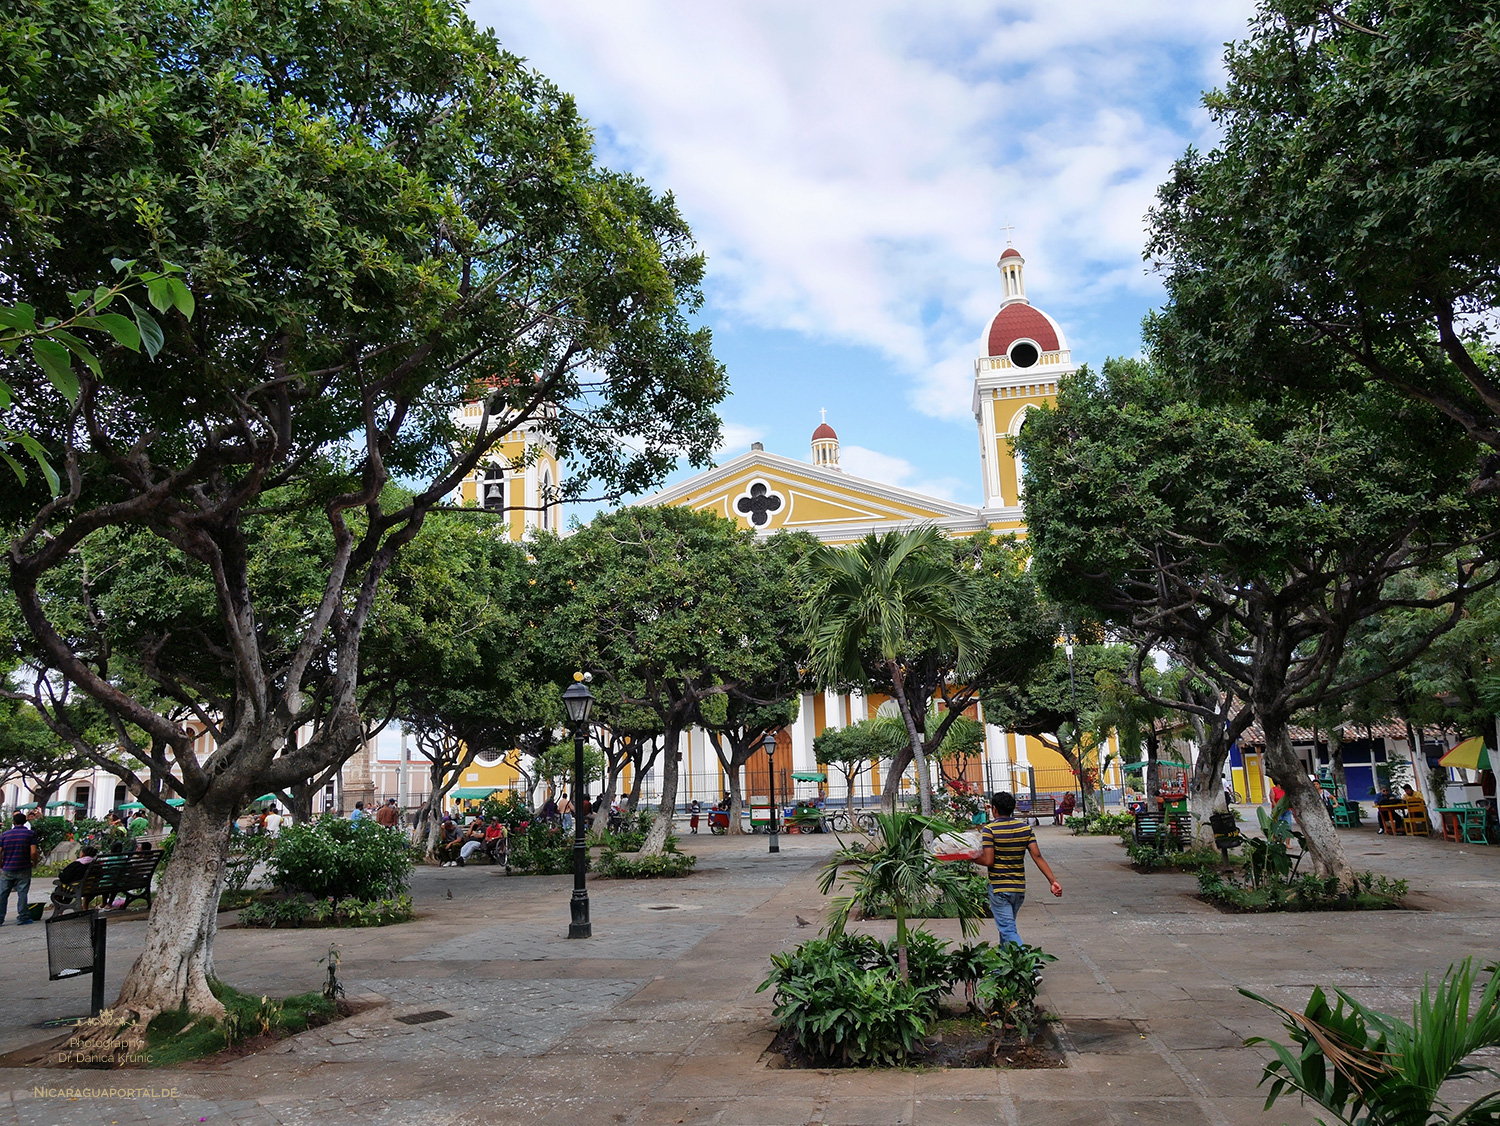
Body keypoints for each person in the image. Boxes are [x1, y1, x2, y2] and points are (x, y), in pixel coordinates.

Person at [975, 792, 1062, 948]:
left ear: (994, 809)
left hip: (999, 889)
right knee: (1006, 928)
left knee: (1008, 929)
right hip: (1018, 888)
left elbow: (988, 860)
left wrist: (968, 857)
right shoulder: (1025, 828)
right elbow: (1038, 856)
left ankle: (1030, 967)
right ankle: (1005, 966)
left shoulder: (990, 830)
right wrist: (1052, 881)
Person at [0, 811, 41, 926]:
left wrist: (0, 866)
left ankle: (0, 918)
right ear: (25, 821)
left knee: (3, 894)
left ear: (13, 822)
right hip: (23, 867)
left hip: (7, 868)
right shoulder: (30, 834)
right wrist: (35, 862)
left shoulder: (5, 835)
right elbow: (33, 852)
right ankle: (22, 917)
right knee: (22, 893)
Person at [50, 844, 99, 912]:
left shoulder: (78, 864)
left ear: (83, 854)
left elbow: (64, 877)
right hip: (91, 889)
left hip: (77, 889)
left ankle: (60, 909)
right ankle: (63, 907)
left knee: (60, 888)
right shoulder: (97, 864)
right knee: (71, 887)